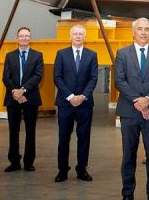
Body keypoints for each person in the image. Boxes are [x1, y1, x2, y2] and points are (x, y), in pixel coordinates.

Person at [115, 18, 149, 200]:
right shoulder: (122, 53)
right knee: (128, 155)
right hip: (129, 112)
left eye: (147, 29)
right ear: (133, 32)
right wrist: (138, 101)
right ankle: (127, 193)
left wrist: (147, 99)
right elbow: (119, 81)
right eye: (140, 29)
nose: (144, 32)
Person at [53, 24, 98, 183]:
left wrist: (83, 96)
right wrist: (71, 96)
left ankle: (82, 169)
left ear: (85, 37)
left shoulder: (92, 55)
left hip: (85, 104)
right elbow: (57, 77)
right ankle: (62, 170)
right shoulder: (61, 54)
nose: (78, 36)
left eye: (81, 34)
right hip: (66, 103)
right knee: (63, 137)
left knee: (84, 137)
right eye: (75, 34)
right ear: (70, 36)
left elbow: (93, 78)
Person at [2, 26, 44, 172]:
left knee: (30, 131)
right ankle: (14, 162)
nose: (24, 38)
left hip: (30, 98)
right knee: (13, 131)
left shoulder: (37, 55)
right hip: (12, 98)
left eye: (27, 36)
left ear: (30, 38)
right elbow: (5, 77)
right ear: (17, 38)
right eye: (21, 36)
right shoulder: (10, 55)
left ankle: (28, 162)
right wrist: (15, 92)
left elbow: (38, 76)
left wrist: (23, 90)